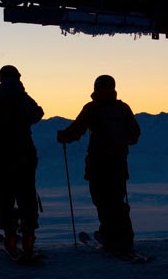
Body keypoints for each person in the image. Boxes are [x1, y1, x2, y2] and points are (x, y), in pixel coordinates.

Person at [57, 74, 141, 256]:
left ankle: (111, 239)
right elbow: (134, 135)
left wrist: (63, 136)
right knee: (117, 202)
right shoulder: (123, 108)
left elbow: (77, 130)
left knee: (103, 202)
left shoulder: (92, 108)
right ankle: (125, 239)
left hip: (99, 164)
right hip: (119, 164)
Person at [0, 65, 44, 260]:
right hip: (25, 157)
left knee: (2, 199)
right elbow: (37, 114)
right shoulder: (24, 100)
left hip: (0, 158)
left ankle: (11, 236)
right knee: (27, 197)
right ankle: (29, 238)